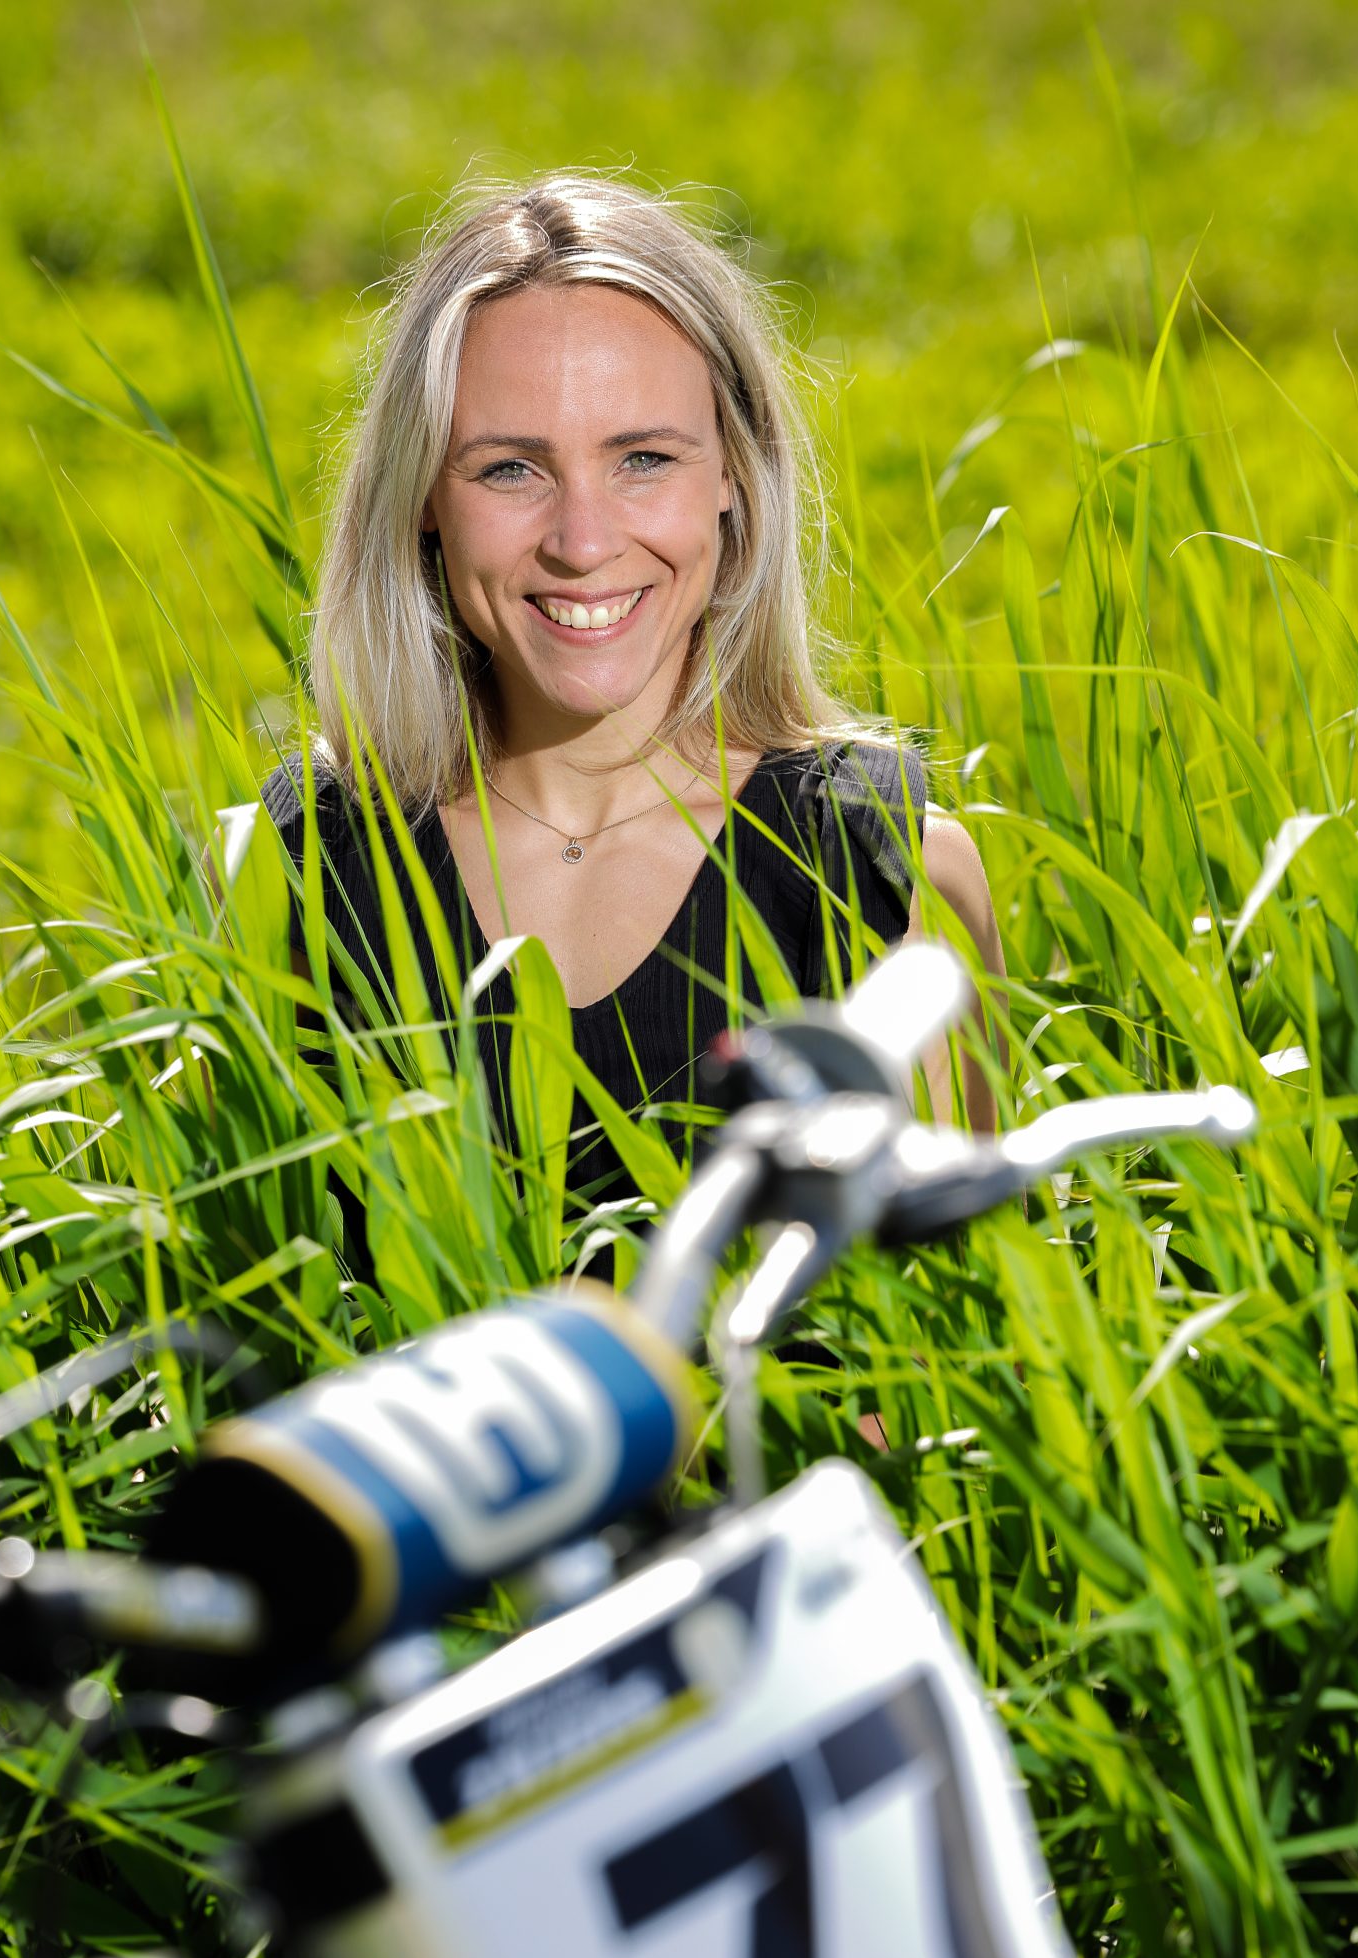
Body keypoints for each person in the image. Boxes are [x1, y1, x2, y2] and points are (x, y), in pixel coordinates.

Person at [259, 172, 1003, 1197]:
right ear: (424, 491)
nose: (583, 541)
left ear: (733, 473)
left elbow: (963, 1290)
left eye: (644, 458)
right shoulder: (298, 865)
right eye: (511, 469)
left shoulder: (884, 869)